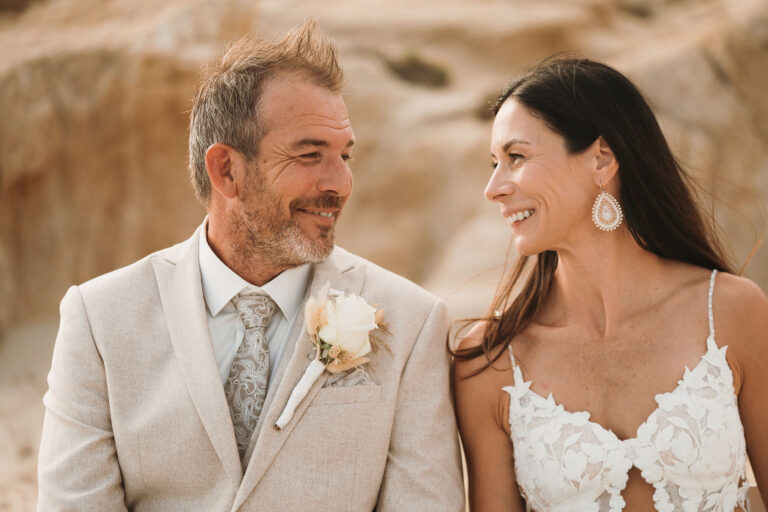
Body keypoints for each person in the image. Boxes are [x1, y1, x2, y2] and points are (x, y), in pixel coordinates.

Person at [37, 21, 464, 511]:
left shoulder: (412, 322)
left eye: (345, 156)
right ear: (226, 171)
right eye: (310, 155)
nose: (342, 183)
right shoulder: (100, 319)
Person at [453, 58, 767, 511]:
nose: (494, 187)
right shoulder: (491, 360)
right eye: (494, 163)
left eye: (516, 157)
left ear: (601, 159)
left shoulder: (731, 311)